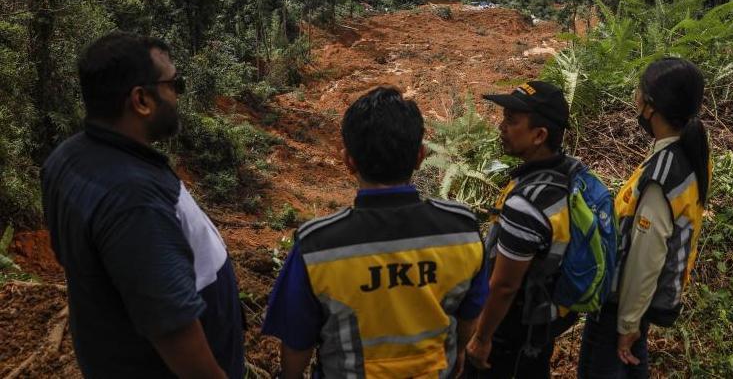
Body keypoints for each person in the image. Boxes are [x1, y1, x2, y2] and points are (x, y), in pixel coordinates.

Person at [42, 32, 245, 378]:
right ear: (141, 100)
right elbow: (174, 327)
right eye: (173, 84)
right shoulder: (135, 202)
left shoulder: (67, 157)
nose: (178, 95)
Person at [262, 86, 488, 378]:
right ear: (420, 157)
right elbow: (470, 313)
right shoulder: (463, 230)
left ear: (349, 161)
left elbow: (296, 342)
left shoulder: (316, 247)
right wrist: (457, 353)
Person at [578, 57, 712, 378]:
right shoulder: (688, 155)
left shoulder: (662, 176)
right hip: (635, 309)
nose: (635, 98)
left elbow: (645, 259)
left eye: (640, 92)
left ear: (651, 107)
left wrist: (627, 324)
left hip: (619, 310)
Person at [465, 81, 580, 378]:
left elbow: (505, 285)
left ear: (539, 135)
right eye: (504, 117)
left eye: (512, 121)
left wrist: (481, 338)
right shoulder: (569, 173)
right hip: (542, 322)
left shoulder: (528, 201)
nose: (501, 126)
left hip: (511, 331)